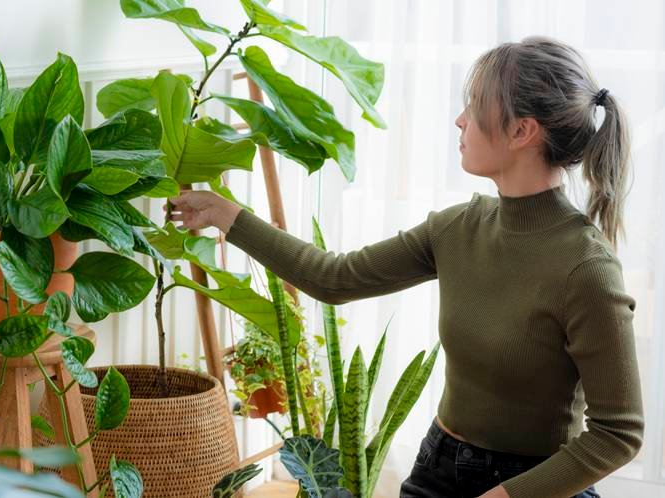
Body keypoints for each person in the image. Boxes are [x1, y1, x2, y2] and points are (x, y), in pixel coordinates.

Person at [166, 35, 643, 498]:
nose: (459, 121)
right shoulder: (457, 228)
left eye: (474, 106)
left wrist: (504, 495)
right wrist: (225, 214)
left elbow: (618, 433)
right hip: (437, 467)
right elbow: (334, 278)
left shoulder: (586, 269)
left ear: (522, 131)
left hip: (536, 485)